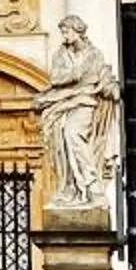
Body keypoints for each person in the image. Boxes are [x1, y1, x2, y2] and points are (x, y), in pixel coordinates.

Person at [35, 14, 119, 213]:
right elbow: (55, 77)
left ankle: (92, 186)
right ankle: (70, 187)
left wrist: (111, 89)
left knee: (73, 134)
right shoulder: (60, 55)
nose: (64, 35)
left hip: (85, 101)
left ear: (77, 31)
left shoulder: (94, 54)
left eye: (66, 31)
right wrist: (74, 75)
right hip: (63, 102)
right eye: (62, 32)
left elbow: (102, 79)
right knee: (61, 143)